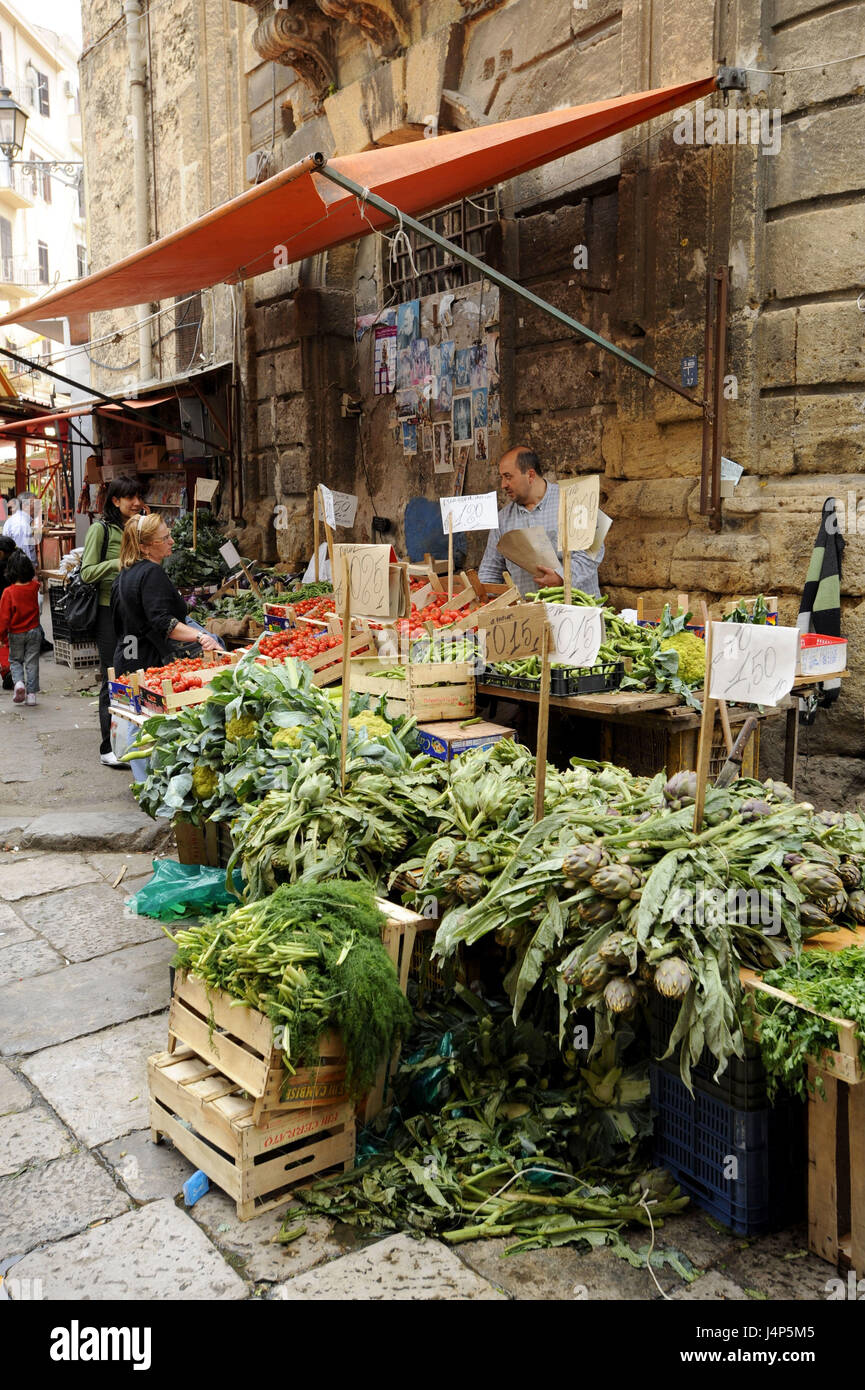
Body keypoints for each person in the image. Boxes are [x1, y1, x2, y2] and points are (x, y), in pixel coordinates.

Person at [80, 476, 147, 768]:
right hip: (109, 613)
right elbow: (87, 572)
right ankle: (107, 746)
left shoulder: (140, 526)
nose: (136, 502)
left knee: (132, 674)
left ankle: (131, 740)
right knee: (112, 676)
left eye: (138, 496)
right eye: (129, 498)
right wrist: (118, 563)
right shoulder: (100, 530)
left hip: (135, 614)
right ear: (115, 501)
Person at [477, 447, 604, 599]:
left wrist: (561, 577)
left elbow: (591, 553)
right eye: (502, 478)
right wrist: (483, 600)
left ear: (530, 475)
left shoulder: (573, 499)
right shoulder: (502, 519)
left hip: (577, 610)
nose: (503, 484)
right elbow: (490, 570)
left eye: (508, 477)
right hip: (530, 615)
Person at [111, 512, 221, 677]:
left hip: (128, 659)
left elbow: (122, 624)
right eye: (164, 539)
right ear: (144, 547)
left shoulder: (126, 573)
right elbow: (163, 622)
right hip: (149, 666)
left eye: (169, 535)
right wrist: (201, 636)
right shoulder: (151, 572)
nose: (172, 541)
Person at [0, 550, 41, 706]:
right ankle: (31, 696)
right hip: (34, 631)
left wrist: (2, 637)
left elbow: (3, 618)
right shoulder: (34, 587)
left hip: (15, 633)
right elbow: (37, 583)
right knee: (32, 663)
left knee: (15, 660)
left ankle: (19, 684)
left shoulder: (8, 592)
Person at [0, 536, 17, 689]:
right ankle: (8, 671)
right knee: (6, 643)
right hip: (12, 612)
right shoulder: (14, 569)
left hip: (3, 611)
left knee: (3, 643)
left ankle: (7, 671)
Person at [3, 496, 37, 562]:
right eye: (34, 503)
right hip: (19, 570)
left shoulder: (18, 520)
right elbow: (22, 559)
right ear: (25, 506)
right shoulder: (21, 525)